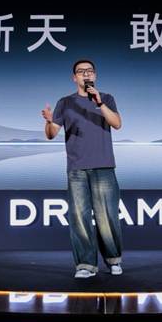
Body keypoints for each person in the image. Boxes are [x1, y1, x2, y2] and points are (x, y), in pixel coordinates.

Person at [41, 59, 124, 279]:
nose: (86, 74)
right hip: (77, 168)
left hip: (104, 165)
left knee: (107, 216)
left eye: (89, 71)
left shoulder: (106, 98)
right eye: (81, 71)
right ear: (74, 77)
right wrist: (49, 121)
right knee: (79, 217)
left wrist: (99, 103)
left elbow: (117, 123)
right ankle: (85, 264)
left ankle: (114, 259)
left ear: (94, 76)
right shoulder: (65, 102)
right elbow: (51, 134)